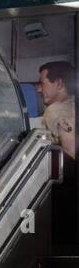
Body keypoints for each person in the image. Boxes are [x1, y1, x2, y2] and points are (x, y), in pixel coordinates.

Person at [38, 61, 78, 244]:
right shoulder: (71, 105)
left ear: (59, 84)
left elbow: (70, 153)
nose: (39, 90)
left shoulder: (55, 111)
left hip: (64, 192)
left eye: (43, 83)